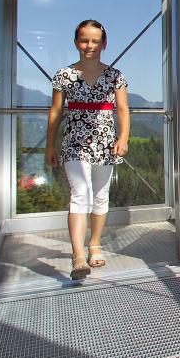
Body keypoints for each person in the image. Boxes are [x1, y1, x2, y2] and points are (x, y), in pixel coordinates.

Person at [45, 19, 130, 281]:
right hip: (74, 142)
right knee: (80, 193)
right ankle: (78, 256)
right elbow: (57, 111)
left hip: (105, 142)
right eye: (84, 40)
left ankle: (94, 244)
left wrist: (123, 138)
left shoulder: (116, 76)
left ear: (103, 44)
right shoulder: (64, 75)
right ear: (76, 42)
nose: (89, 45)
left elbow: (124, 109)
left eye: (95, 41)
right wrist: (50, 144)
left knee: (101, 195)